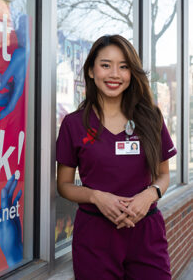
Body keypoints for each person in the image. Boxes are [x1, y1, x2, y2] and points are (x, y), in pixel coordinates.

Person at [56, 35, 177, 280]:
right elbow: (64, 185)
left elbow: (163, 174)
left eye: (123, 67)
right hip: (95, 235)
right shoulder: (73, 124)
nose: (115, 74)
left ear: (132, 73)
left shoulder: (151, 118)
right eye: (105, 65)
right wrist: (95, 196)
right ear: (91, 71)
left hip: (145, 232)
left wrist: (150, 194)